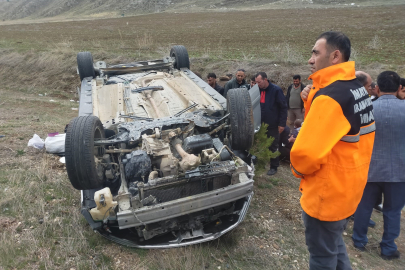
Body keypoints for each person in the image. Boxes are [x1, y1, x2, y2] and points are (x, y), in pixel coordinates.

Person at [290, 31, 375, 270]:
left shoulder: (331, 97)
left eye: (316, 53)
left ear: (335, 56)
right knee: (335, 246)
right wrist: (311, 97)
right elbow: (335, 132)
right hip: (347, 189)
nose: (310, 59)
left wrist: (298, 171)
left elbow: (307, 153)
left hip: (326, 195)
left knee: (321, 257)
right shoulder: (356, 90)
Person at [352, 71, 405, 260]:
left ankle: (359, 241)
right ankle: (388, 248)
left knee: (364, 207)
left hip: (369, 169)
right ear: (399, 88)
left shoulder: (367, 108)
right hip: (399, 171)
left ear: (377, 88)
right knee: (393, 211)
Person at [255, 72, 287, 176]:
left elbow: (283, 107)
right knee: (261, 143)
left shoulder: (276, 90)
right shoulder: (258, 90)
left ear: (265, 80)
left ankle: (274, 166)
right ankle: (262, 163)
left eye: (259, 82)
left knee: (273, 145)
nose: (258, 84)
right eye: (256, 82)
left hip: (273, 124)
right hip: (260, 123)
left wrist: (282, 124)